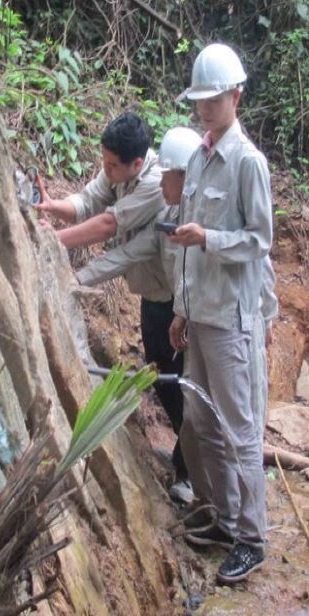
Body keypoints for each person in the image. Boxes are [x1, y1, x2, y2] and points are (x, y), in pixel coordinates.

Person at [168, 43, 273, 584]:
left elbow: (259, 240)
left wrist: (209, 238)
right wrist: (181, 310)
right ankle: (221, 517)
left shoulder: (248, 163)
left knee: (239, 429)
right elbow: (185, 245)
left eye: (214, 100)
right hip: (200, 313)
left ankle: (252, 536)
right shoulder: (197, 157)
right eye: (199, 101)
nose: (205, 110)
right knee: (200, 420)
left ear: (236, 96)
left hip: (232, 317)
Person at [75, 126, 202, 504]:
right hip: (159, 303)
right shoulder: (168, 212)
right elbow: (130, 253)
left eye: (168, 178)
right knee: (162, 376)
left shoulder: (205, 220)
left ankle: (191, 469)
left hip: (191, 314)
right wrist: (77, 278)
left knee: (187, 384)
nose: (161, 185)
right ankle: (188, 455)